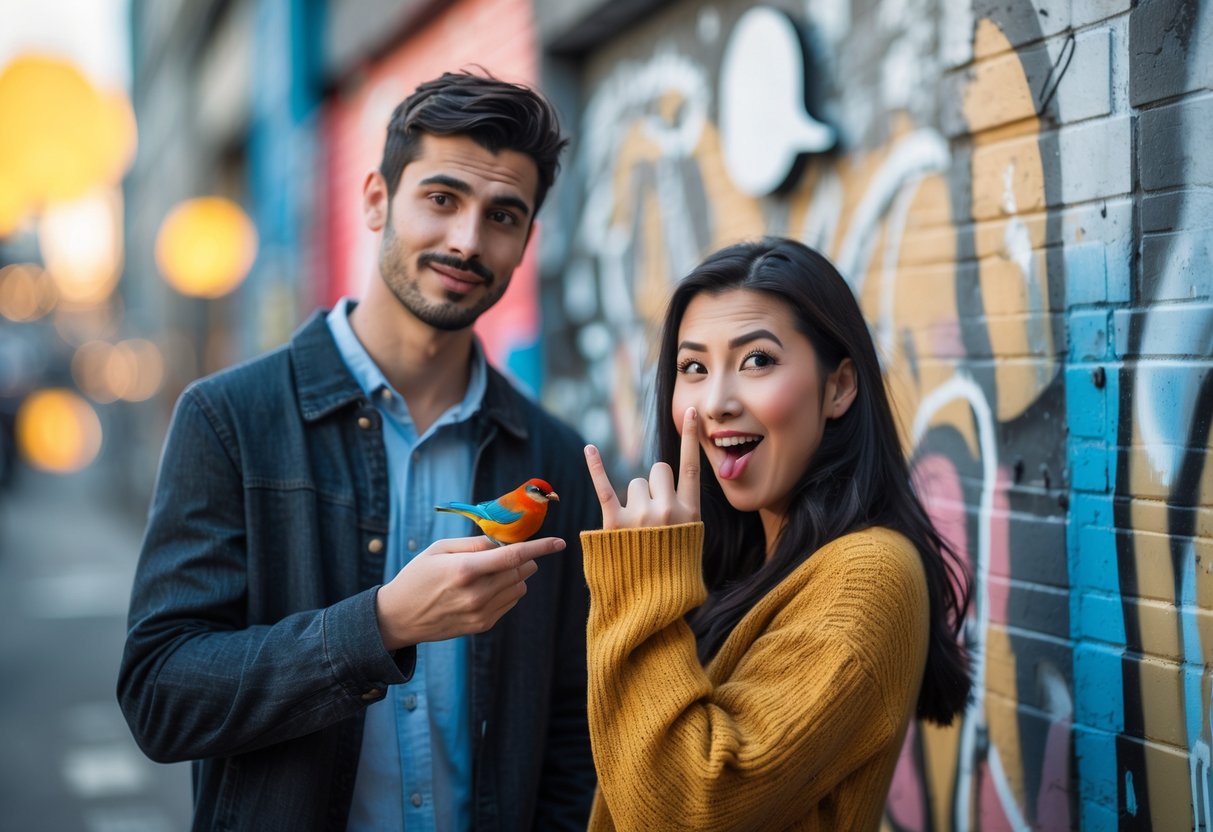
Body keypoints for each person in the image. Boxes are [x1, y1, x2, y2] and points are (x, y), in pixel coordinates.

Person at [118, 71, 599, 831]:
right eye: (441, 199)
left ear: (525, 241)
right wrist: (377, 627)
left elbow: (573, 731)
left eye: (502, 215)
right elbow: (161, 696)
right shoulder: (228, 420)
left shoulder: (555, 458)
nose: (467, 241)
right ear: (376, 199)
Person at [581, 237, 971, 830]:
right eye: (694, 367)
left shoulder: (867, 575)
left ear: (839, 387)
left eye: (757, 360)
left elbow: (690, 807)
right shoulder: (739, 563)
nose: (715, 403)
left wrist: (640, 578)